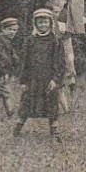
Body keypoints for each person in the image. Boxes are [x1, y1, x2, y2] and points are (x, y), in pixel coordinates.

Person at [14, 9, 68, 141]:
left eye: (45, 22)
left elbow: (60, 62)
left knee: (51, 105)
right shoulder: (30, 41)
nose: (43, 25)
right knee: (26, 104)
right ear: (35, 24)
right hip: (32, 79)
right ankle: (17, 129)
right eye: (40, 22)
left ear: (50, 23)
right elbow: (24, 62)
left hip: (48, 79)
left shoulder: (55, 41)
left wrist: (55, 80)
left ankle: (54, 131)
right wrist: (22, 81)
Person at [48, 0, 79, 112]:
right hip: (54, 41)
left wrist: (67, 29)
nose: (59, 2)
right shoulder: (50, 14)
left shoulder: (67, 13)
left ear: (66, 1)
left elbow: (73, 26)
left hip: (65, 40)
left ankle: (71, 81)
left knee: (70, 59)